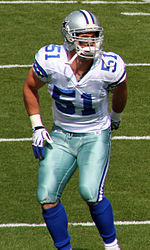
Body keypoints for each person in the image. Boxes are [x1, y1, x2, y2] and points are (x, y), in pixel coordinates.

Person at [23, 9, 128, 250]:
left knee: (90, 191)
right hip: (61, 134)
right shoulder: (51, 60)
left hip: (94, 134)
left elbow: (121, 89)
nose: (91, 42)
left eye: (94, 36)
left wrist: (116, 116)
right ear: (69, 36)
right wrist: (37, 126)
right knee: (46, 195)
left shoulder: (109, 65)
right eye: (84, 36)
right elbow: (30, 87)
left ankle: (112, 246)